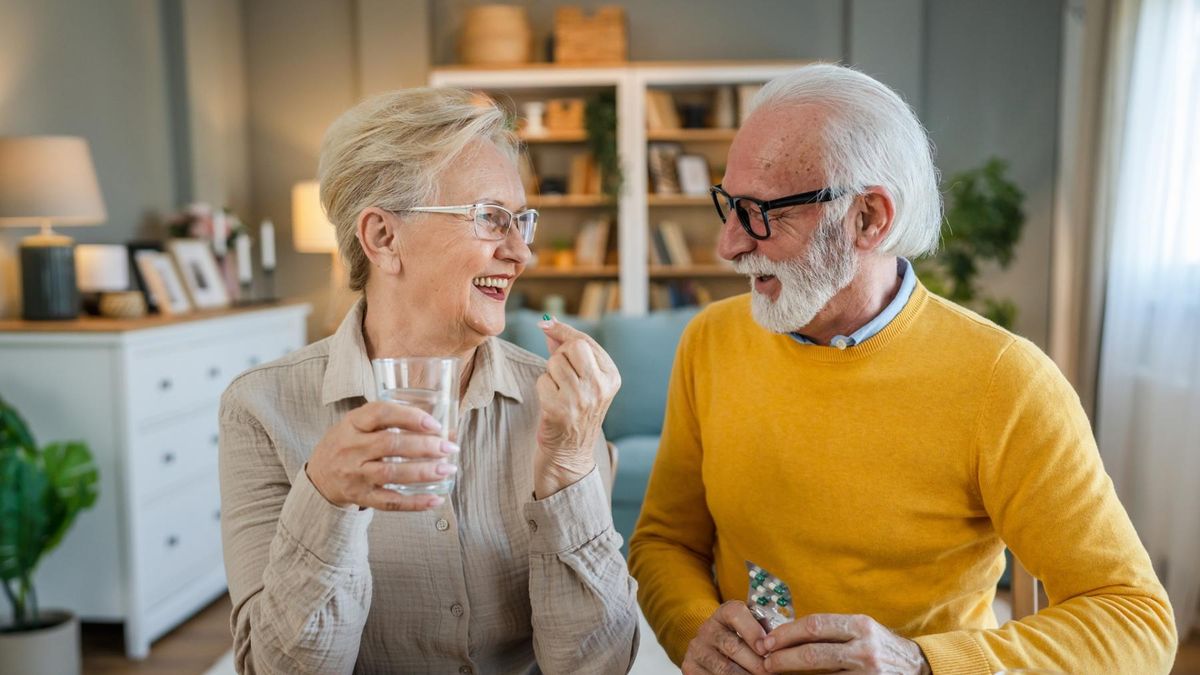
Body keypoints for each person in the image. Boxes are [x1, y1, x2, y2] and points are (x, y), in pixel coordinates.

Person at [628, 63, 1177, 675]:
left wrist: (921, 664)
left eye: (761, 213)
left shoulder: (1006, 380)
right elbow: (664, 542)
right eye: (729, 205)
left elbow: (1135, 621)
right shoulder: (710, 340)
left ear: (869, 217)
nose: (728, 244)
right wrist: (692, 628)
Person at [219, 87, 638, 674]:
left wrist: (568, 465)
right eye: (492, 219)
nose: (522, 254)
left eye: (523, 222)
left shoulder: (560, 403)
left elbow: (596, 666)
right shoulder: (260, 408)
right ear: (383, 238)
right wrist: (325, 499)